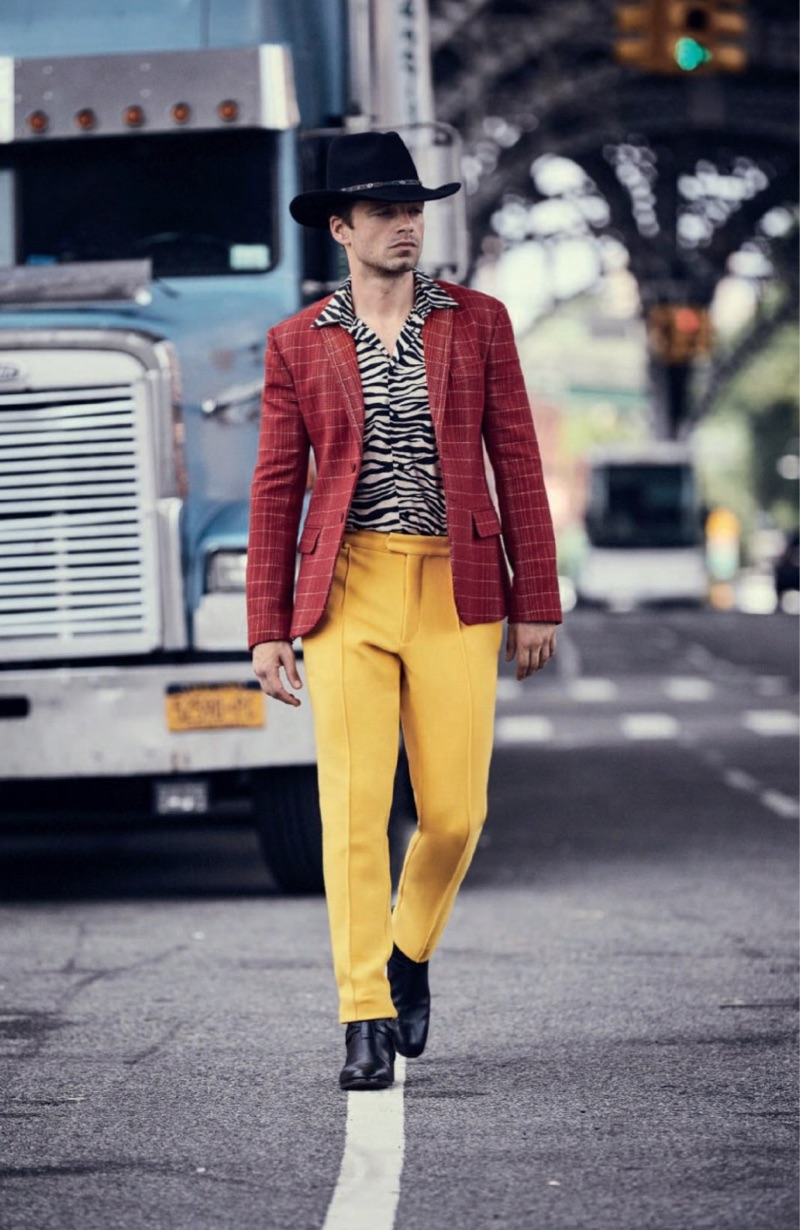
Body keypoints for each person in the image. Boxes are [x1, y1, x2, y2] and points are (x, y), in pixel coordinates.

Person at [247, 130, 561, 1091]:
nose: (406, 226)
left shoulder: (479, 321)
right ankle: (362, 1016)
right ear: (342, 228)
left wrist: (534, 598)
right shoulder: (298, 342)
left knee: (455, 815)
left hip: (457, 590)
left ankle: (407, 953)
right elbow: (274, 486)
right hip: (345, 591)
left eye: (414, 211)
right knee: (349, 813)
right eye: (385, 212)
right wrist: (267, 624)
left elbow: (517, 459)